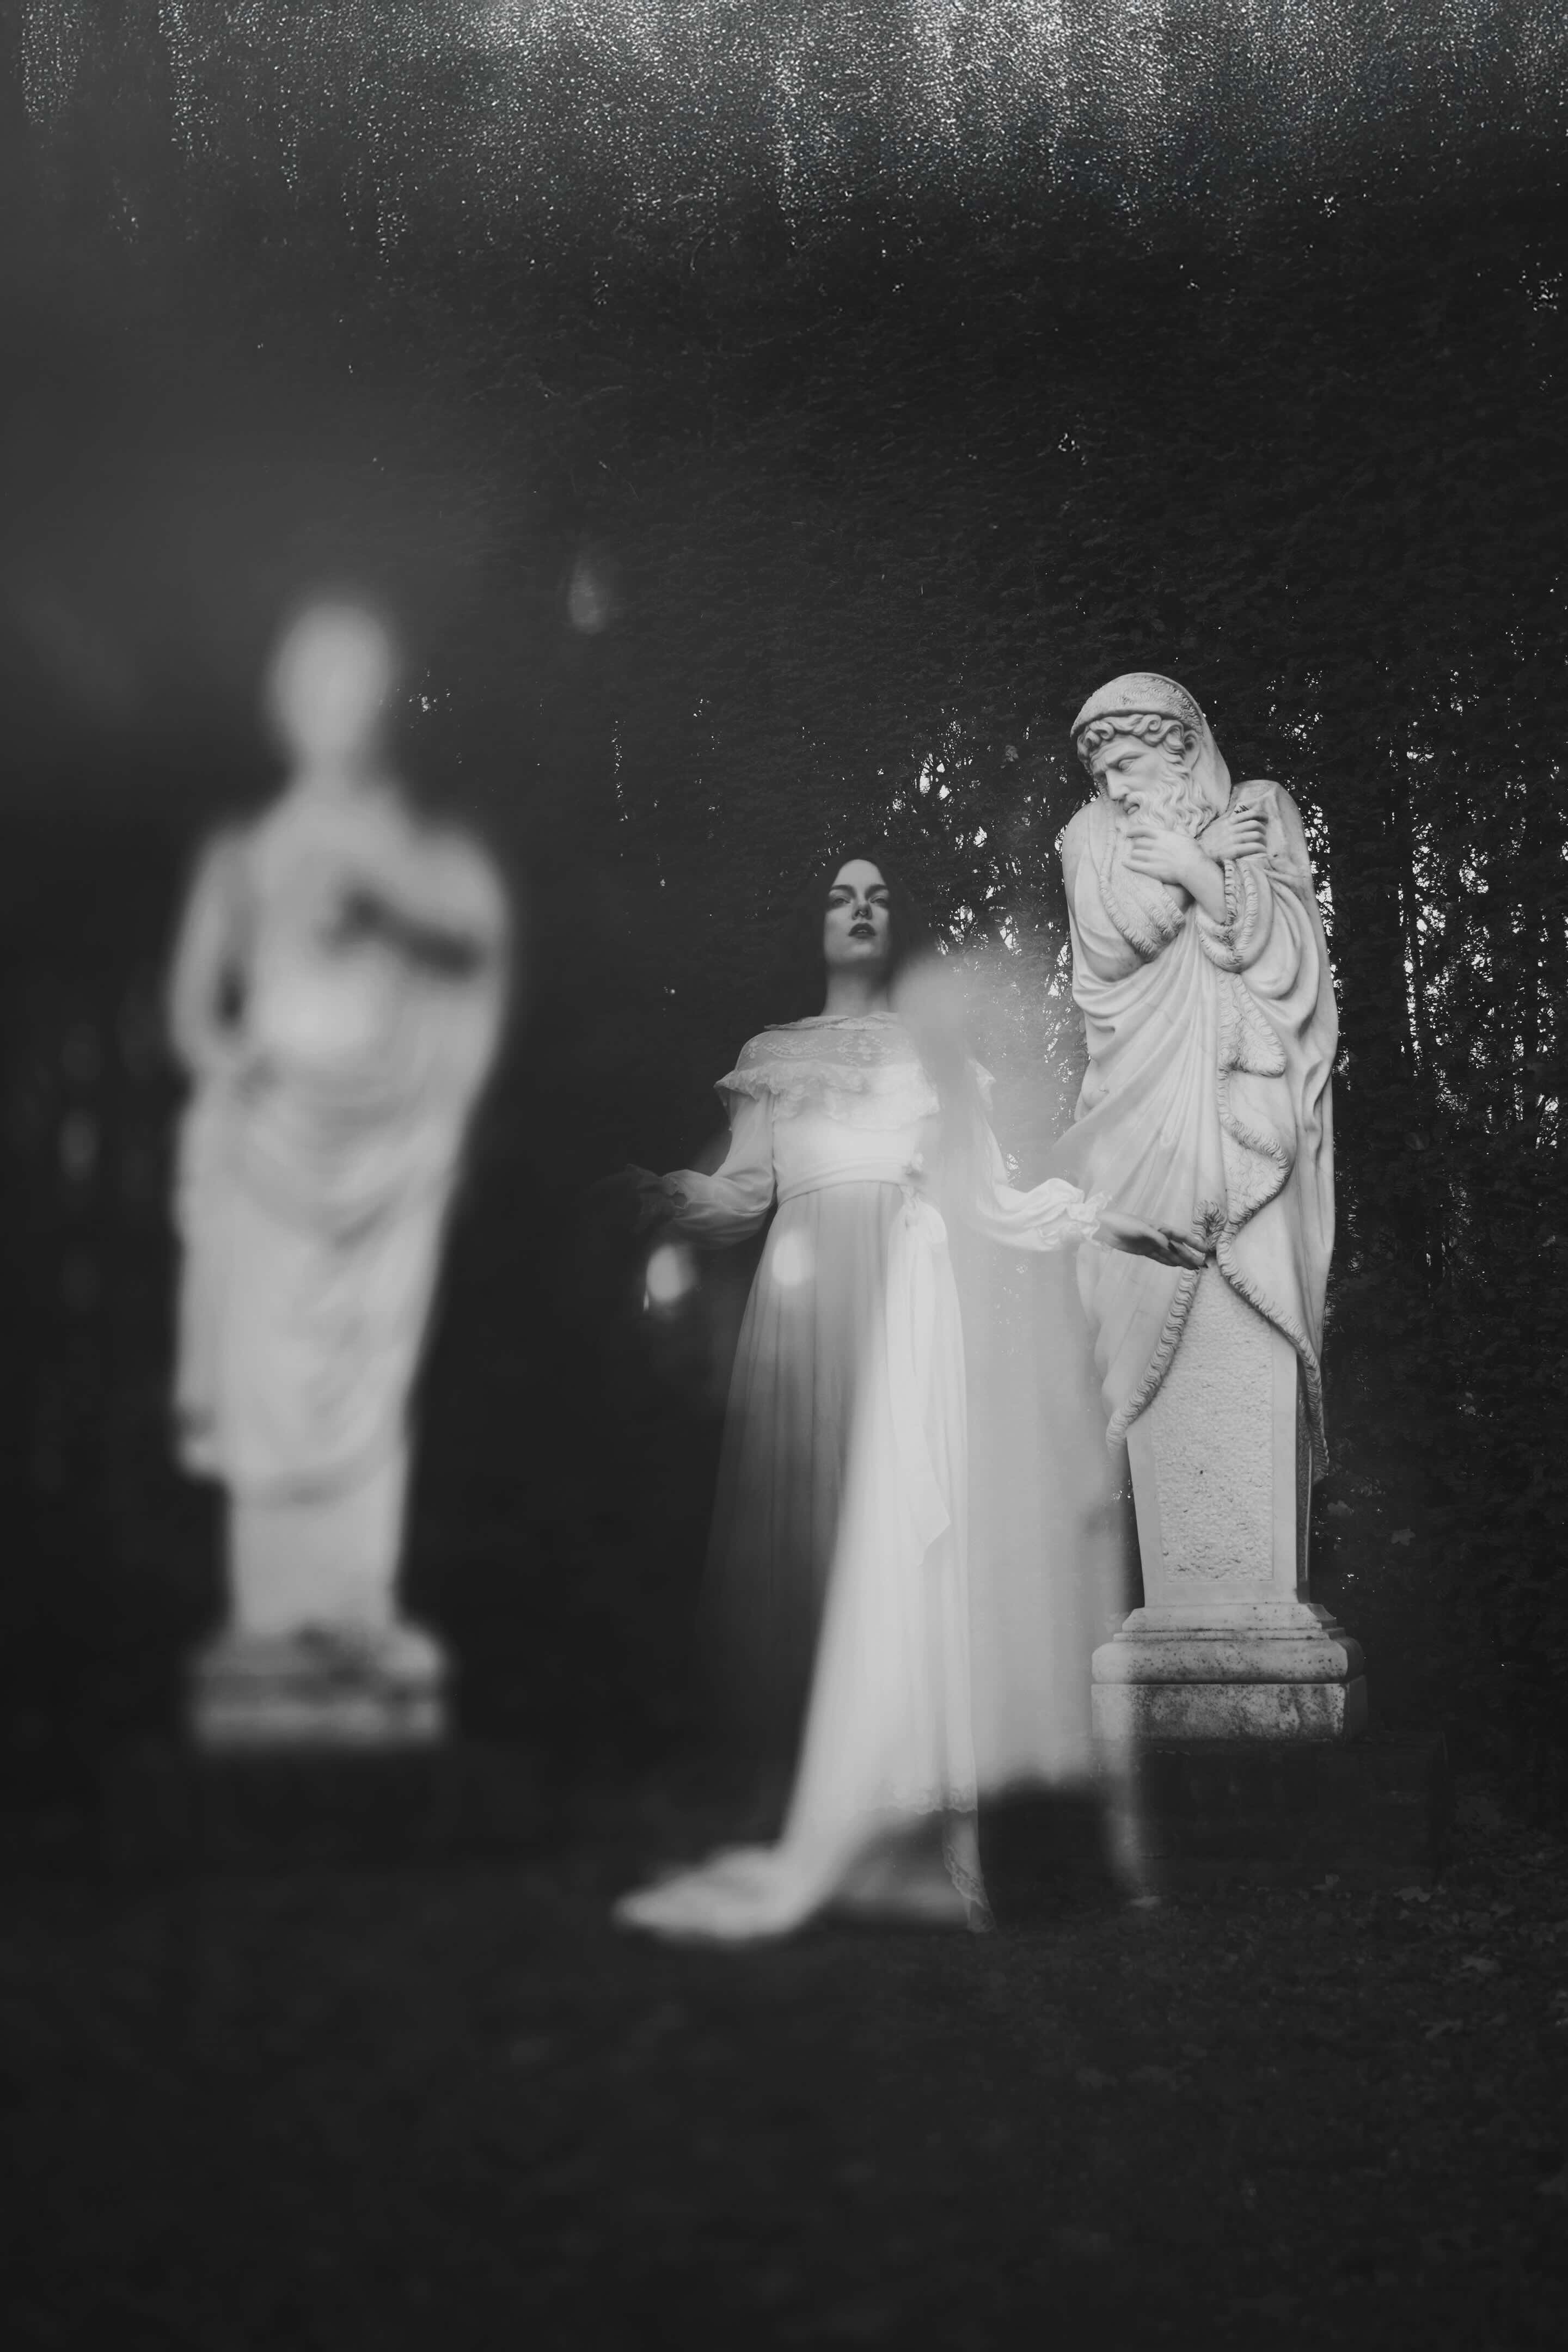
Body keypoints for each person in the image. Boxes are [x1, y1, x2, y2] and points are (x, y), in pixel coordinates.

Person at [610, 850, 1203, 1943]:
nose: (860, 910)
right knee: (813, 1540)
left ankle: (941, 1835)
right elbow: (743, 1194)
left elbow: (996, 1199)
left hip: (907, 1307)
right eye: (841, 895)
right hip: (803, 1308)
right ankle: (811, 1808)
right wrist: (667, 1194)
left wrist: (1118, 1224)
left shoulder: (937, 1059)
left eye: (878, 896)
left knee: (914, 1551)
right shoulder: (774, 1056)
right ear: (816, 920)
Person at [168, 598, 510, 1732]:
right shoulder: (243, 853)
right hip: (274, 1144)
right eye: (317, 682)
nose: (338, 706)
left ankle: (357, 1607)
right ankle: (273, 1619)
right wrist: (233, 1067)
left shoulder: (424, 857)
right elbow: (192, 1008)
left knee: (370, 1368)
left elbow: (471, 947)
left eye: (358, 682)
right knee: (266, 1367)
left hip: (386, 1145)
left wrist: (384, 904)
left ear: (386, 703)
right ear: (284, 704)